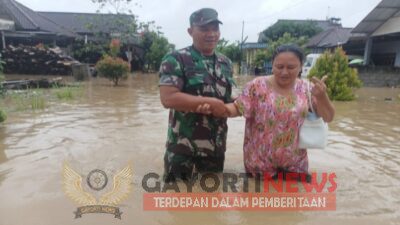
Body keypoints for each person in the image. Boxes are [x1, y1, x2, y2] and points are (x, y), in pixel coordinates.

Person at [224, 44, 335, 179]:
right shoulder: (257, 85)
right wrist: (218, 108)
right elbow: (238, 108)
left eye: (291, 67)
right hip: (259, 163)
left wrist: (322, 96)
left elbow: (328, 117)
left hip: (295, 163)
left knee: (295, 199)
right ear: (272, 64)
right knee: (257, 198)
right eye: (279, 66)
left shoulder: (307, 89)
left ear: (301, 66)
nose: (284, 72)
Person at [158, 8, 235, 182]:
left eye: (215, 29)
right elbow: (168, 98)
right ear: (190, 31)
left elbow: (225, 99)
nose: (211, 34)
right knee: (175, 200)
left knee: (210, 201)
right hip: (182, 148)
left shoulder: (226, 62)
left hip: (215, 148)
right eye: (204, 29)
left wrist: (245, 102)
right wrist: (205, 102)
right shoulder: (175, 59)